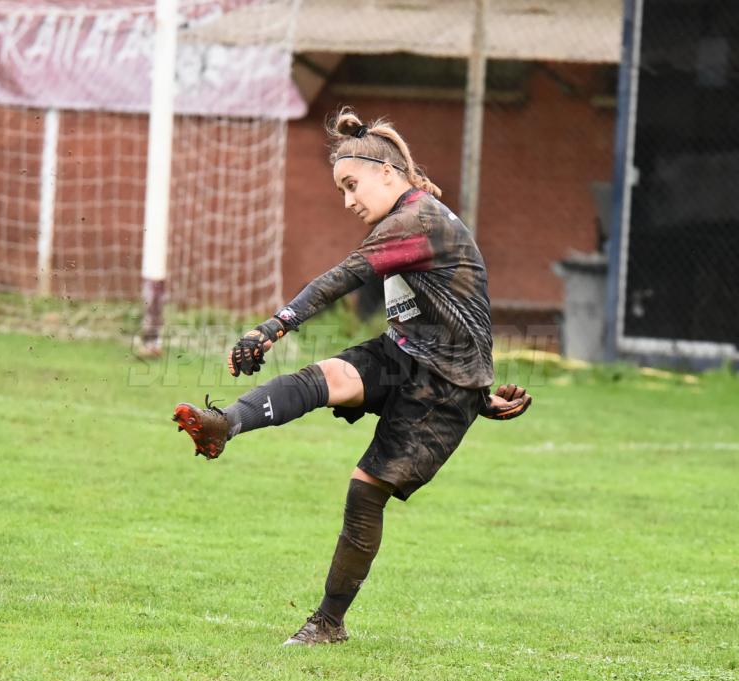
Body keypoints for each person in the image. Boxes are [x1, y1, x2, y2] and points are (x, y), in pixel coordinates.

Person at [172, 107, 532, 646]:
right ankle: (224, 424)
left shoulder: (419, 220)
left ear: (386, 173)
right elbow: (464, 312)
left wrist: (272, 327)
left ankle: (328, 623)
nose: (348, 201)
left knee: (365, 491)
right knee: (327, 377)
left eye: (351, 185)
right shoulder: (408, 217)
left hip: (444, 383)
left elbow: (341, 278)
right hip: (408, 352)